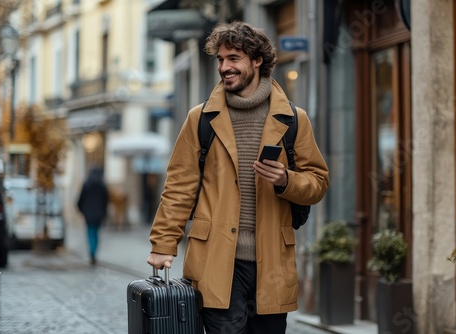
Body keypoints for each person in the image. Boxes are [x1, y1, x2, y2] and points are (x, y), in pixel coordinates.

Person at [147, 21, 329, 334]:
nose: (224, 67)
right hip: (217, 261)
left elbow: (317, 182)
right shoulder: (200, 118)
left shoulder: (293, 119)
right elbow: (179, 187)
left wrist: (286, 180)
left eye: (234, 59)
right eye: (220, 59)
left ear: (257, 60)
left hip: (271, 262)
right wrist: (163, 243)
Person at [77, 166, 109, 265]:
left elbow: (80, 199)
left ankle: (92, 252)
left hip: (88, 213)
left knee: (90, 232)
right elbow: (106, 201)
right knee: (96, 233)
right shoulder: (102, 185)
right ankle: (94, 251)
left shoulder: (86, 184)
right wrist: (104, 213)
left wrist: (82, 210)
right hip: (99, 213)